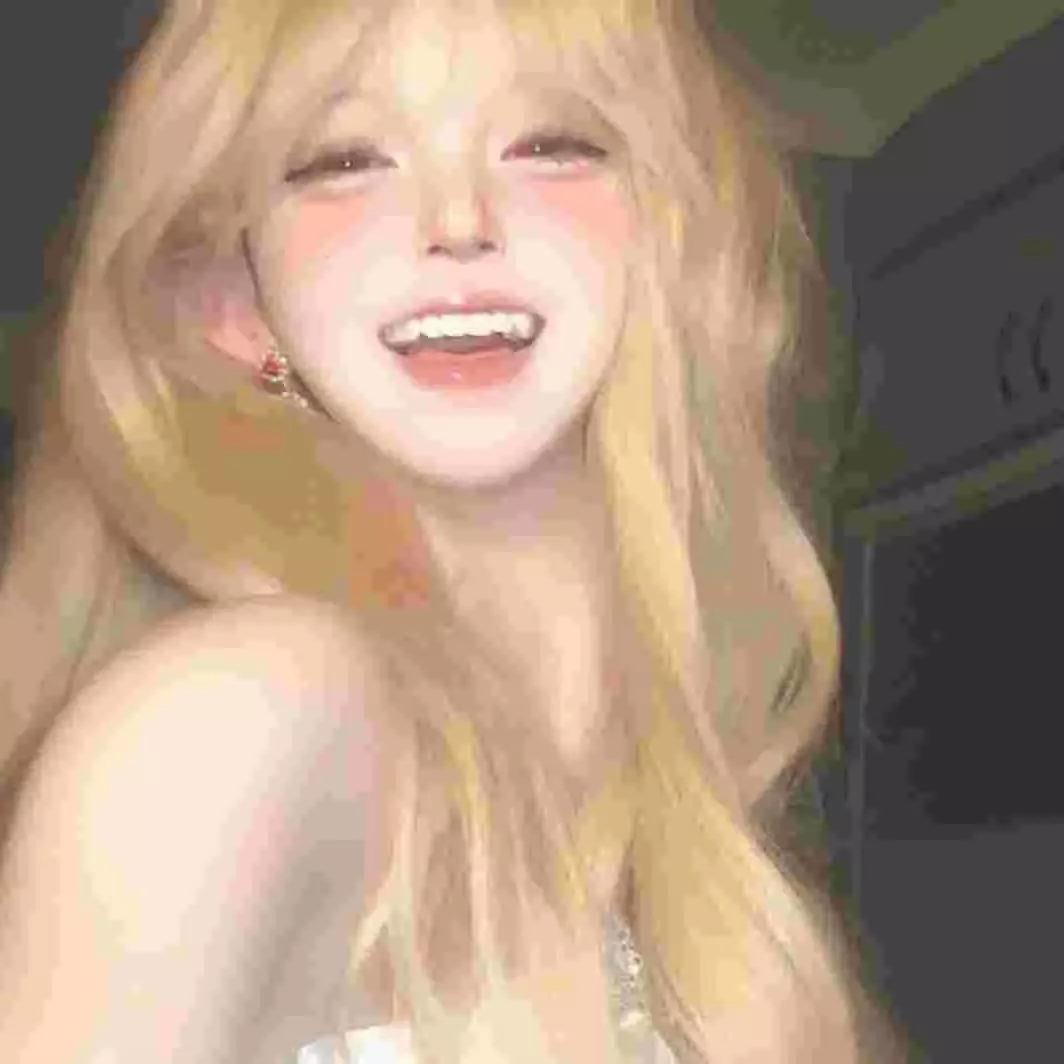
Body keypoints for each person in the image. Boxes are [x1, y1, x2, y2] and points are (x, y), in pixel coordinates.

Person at [0, 1, 898, 1061]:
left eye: (550, 143)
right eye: (343, 160)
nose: (459, 218)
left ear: (669, 235)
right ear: (230, 300)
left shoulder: (668, 841)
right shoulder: (233, 725)